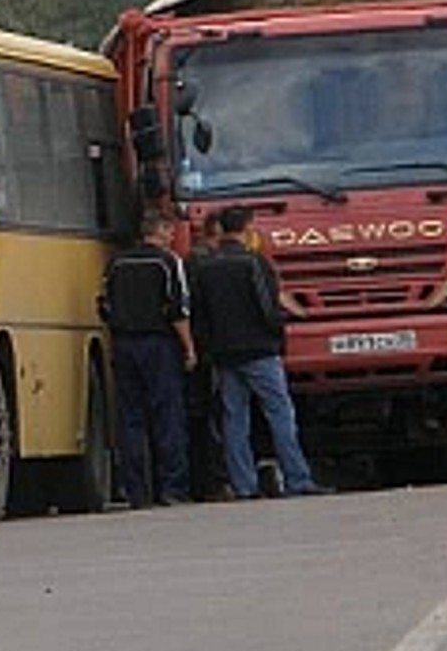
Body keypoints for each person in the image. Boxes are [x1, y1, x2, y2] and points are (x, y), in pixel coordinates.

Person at [189, 205, 330, 500]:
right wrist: (277, 331)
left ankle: (243, 485)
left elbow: (199, 314)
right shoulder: (254, 263)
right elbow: (267, 306)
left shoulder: (205, 267)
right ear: (247, 227)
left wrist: (209, 348)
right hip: (259, 349)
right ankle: (297, 478)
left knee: (234, 419)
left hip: (225, 354)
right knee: (279, 412)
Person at [100, 211, 196, 508]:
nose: (171, 237)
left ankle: (136, 491)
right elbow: (178, 309)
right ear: (161, 231)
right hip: (158, 344)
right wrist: (189, 348)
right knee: (167, 416)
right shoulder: (168, 262)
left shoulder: (116, 262)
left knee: (130, 419)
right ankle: (172, 487)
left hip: (123, 344)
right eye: (169, 232)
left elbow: (103, 305)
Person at [183, 213, 233, 502]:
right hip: (211, 348)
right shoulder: (206, 263)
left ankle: (204, 481)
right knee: (217, 414)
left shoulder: (191, 261)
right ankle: (215, 479)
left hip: (203, 346)